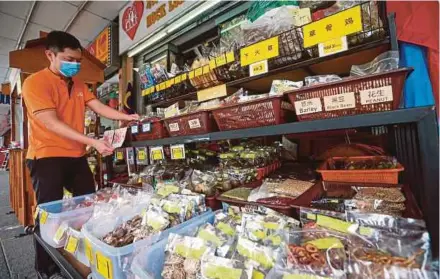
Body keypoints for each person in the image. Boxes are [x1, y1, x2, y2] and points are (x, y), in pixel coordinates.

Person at [22, 31, 139, 278]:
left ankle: (84, 255)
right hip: (46, 156)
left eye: (77, 60)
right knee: (49, 213)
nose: (74, 64)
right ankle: (45, 267)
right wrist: (93, 142)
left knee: (88, 205)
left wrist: (125, 117)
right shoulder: (34, 83)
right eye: (68, 58)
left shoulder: (78, 85)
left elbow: (97, 106)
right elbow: (51, 122)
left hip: (75, 156)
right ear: (50, 55)